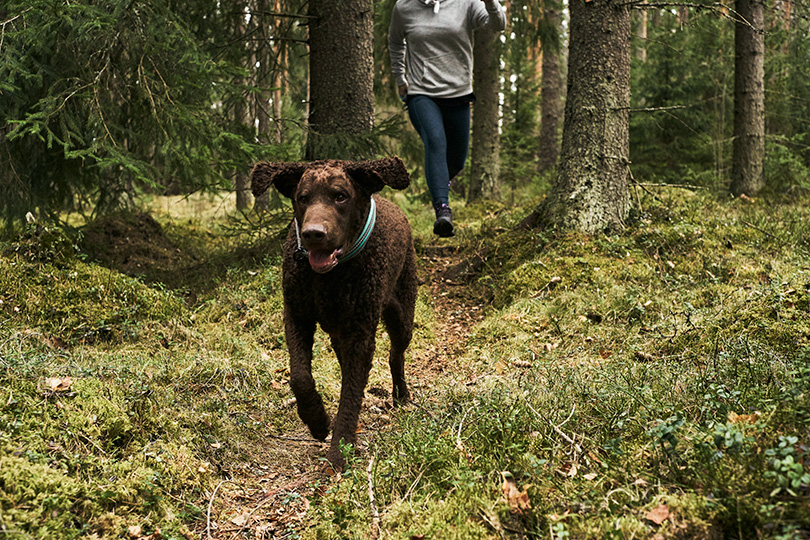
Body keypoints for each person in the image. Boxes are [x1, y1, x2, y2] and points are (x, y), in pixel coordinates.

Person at [388, 0, 506, 238]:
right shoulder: (404, 7)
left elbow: (498, 24)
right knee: (435, 141)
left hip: (458, 94)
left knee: (457, 161)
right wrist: (400, 78)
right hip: (421, 93)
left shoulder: (467, 3)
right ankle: (443, 211)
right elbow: (395, 41)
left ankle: (439, 182)